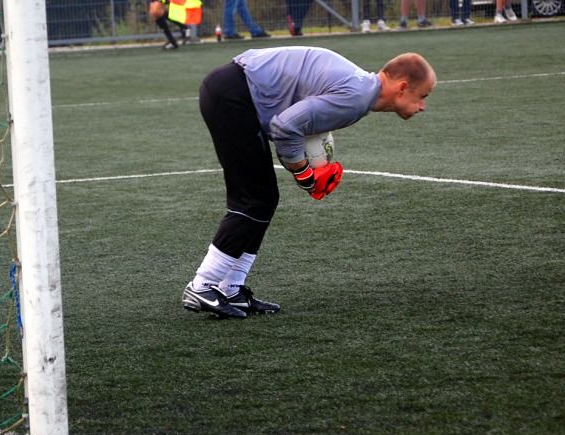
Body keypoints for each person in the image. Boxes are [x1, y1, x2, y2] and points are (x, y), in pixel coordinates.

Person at [182, 47, 436, 319]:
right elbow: (285, 127)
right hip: (232, 95)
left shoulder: (360, 88)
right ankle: (203, 285)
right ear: (402, 87)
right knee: (254, 198)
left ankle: (231, 288)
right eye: (422, 96)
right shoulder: (357, 98)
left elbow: (290, 122)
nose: (422, 106)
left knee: (263, 198)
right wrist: (304, 175)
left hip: (234, 88)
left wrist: (301, 168)